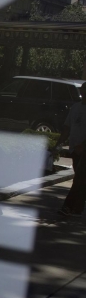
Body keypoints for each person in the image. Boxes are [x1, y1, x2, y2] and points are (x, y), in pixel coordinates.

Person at [58, 87, 86, 217]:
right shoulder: (75, 108)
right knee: (81, 179)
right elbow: (67, 127)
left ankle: (68, 206)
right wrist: (59, 143)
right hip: (75, 150)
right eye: (83, 90)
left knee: (79, 179)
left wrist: (83, 145)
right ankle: (78, 207)